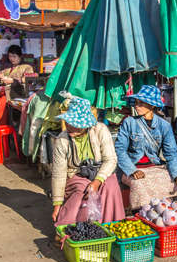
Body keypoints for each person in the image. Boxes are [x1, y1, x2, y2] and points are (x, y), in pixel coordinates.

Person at [51, 97, 125, 231]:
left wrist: (97, 181)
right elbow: (59, 174)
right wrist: (57, 204)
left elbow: (110, 159)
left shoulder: (100, 130)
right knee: (82, 189)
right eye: (69, 123)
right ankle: (71, 227)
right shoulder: (62, 140)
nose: (70, 127)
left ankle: (107, 228)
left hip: (101, 172)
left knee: (111, 186)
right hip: (76, 175)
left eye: (76, 124)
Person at [115, 85, 177, 207]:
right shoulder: (129, 122)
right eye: (136, 102)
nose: (137, 106)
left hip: (154, 166)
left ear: (152, 106)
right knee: (139, 185)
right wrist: (132, 170)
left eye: (141, 103)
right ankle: (141, 215)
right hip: (132, 168)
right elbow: (120, 150)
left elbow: (171, 154)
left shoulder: (164, 126)